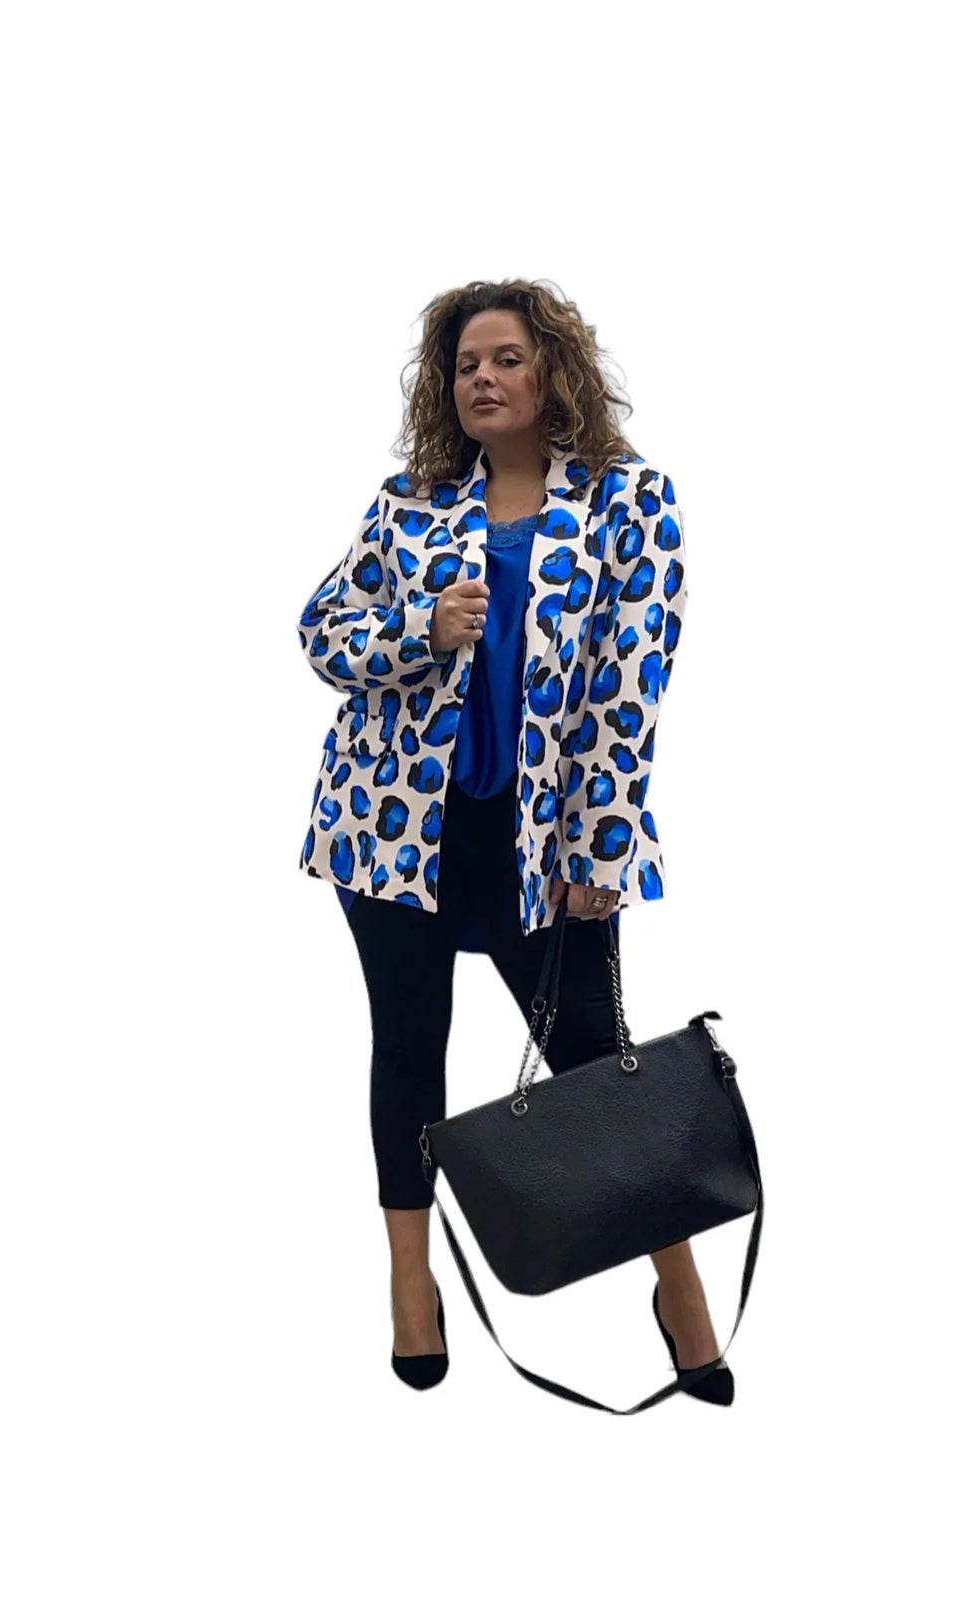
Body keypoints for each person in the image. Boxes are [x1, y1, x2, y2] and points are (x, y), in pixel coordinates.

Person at [296, 279, 732, 1402]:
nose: (481, 379)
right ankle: (411, 1280)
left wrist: (599, 849)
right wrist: (419, 628)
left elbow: (631, 692)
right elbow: (323, 632)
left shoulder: (631, 502)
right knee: (409, 1050)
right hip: (391, 833)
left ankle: (678, 1285)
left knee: (598, 1059)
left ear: (553, 372)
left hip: (543, 842)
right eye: (464, 365)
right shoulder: (411, 504)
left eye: (505, 359)